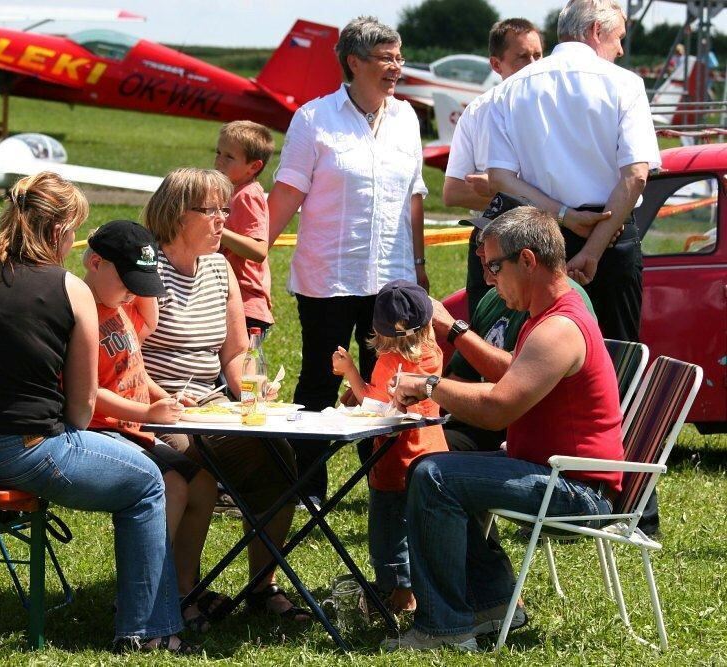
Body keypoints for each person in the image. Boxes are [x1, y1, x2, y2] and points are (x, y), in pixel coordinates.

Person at [0, 173, 193, 654]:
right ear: (61, 231)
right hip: (20, 451)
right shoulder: (69, 288)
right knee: (147, 481)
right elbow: (81, 411)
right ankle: (146, 631)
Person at [388, 206, 624, 651]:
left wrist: (431, 386)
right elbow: (512, 376)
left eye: (495, 266)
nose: (490, 278)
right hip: (555, 472)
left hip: (577, 490)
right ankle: (493, 601)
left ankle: (443, 629)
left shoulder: (558, 328)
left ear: (529, 260)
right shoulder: (545, 315)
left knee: (435, 477)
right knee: (447, 466)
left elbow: (499, 408)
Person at [267, 16, 428, 504]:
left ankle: (383, 484)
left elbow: (415, 196)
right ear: (354, 62)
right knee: (319, 380)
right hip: (329, 278)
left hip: (392, 280)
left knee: (388, 385)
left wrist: (419, 266)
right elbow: (287, 193)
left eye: (400, 57)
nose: (396, 67)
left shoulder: (407, 119)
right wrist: (252, 255)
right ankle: (308, 488)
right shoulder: (314, 119)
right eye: (386, 58)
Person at [141, 168, 311, 624]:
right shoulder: (146, 270)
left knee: (278, 460)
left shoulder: (220, 269)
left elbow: (236, 353)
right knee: (190, 462)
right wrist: (168, 399)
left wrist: (253, 389)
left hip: (214, 407)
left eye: (224, 209)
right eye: (211, 211)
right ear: (178, 214)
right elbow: (126, 359)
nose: (223, 220)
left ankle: (262, 587)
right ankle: (181, 593)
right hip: (157, 410)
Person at [487, 0, 661, 343]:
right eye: (619, 38)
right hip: (610, 237)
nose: (621, 49)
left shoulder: (509, 89)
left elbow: (500, 179)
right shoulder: (625, 84)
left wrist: (566, 215)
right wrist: (592, 251)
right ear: (597, 31)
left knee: (536, 356)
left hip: (534, 240)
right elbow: (636, 175)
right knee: (615, 359)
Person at [82, 219, 221, 633]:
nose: (134, 291)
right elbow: (89, 391)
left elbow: (133, 369)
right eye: (128, 281)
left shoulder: (122, 308)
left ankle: (180, 591)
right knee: (174, 486)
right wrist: (147, 414)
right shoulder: (82, 313)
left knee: (203, 485)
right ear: (93, 263)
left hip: (134, 427)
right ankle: (142, 599)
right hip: (100, 431)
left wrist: (161, 397)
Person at [441, 192, 595, 454]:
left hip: (524, 439)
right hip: (495, 427)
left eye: (489, 242)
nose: (479, 249)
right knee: (406, 442)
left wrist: (454, 331)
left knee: (428, 465)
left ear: (526, 257)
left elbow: (510, 389)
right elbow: (462, 376)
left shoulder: (556, 315)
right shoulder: (500, 298)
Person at [331, 280, 447, 615]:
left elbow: (376, 406)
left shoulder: (389, 362)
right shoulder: (432, 355)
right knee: (421, 528)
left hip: (395, 461)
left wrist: (350, 372)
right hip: (431, 456)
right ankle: (423, 587)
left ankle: (400, 593)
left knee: (389, 528)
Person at [442, 18, 543, 318]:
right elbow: (453, 192)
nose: (534, 64)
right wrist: (512, 196)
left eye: (539, 55)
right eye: (523, 57)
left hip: (546, 246)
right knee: (490, 340)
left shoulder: (556, 111)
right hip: (497, 246)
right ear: (496, 65)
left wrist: (503, 189)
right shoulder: (478, 113)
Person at [214, 120, 275, 333]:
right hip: (228, 302)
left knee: (240, 367)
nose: (219, 161)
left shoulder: (248, 195)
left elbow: (258, 251)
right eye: (218, 152)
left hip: (245, 308)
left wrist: (216, 229)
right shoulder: (230, 192)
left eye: (229, 157)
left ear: (254, 166)